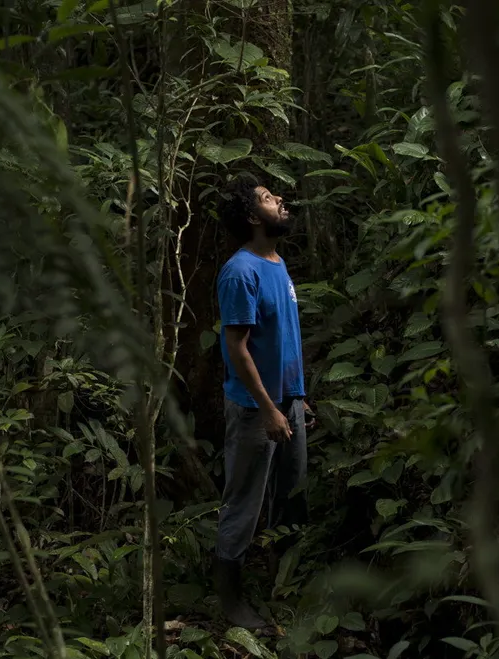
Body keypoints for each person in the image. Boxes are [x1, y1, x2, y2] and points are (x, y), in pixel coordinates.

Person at [212, 173, 314, 632]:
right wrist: (269, 408)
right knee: (244, 504)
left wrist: (296, 398)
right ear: (254, 217)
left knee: (291, 498)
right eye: (271, 199)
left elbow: (283, 339)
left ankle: (285, 588)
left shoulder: (276, 261)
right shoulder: (241, 271)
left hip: (287, 402)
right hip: (257, 408)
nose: (281, 202)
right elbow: (237, 348)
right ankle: (229, 601)